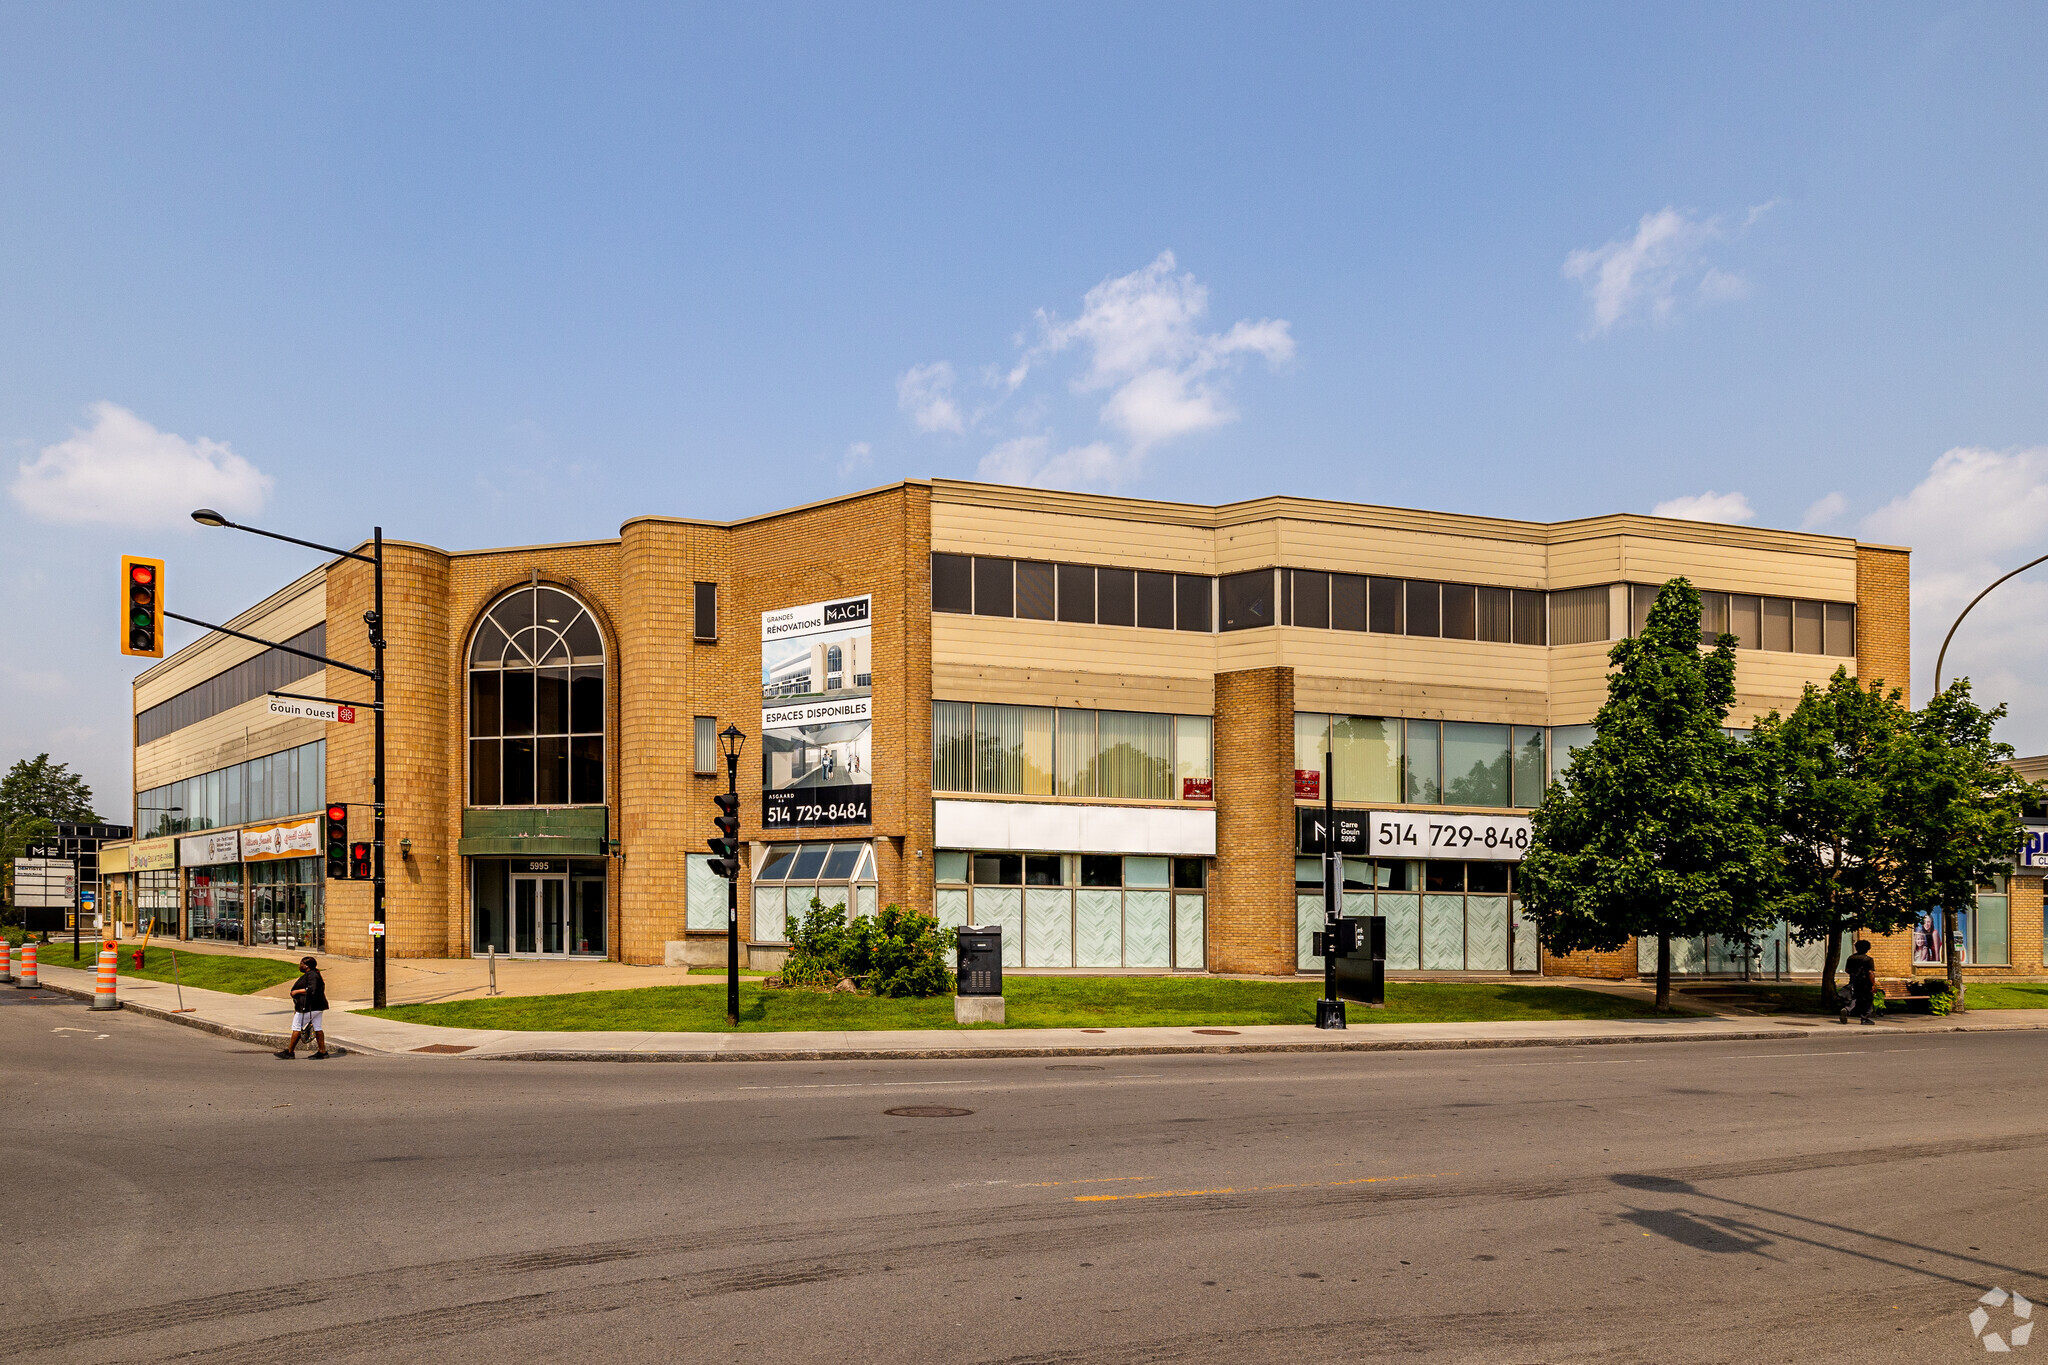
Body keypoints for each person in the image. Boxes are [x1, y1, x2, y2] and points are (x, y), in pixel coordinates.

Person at [277, 955, 330, 1059]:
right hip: (317, 1007)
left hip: (309, 1008)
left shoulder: (312, 975)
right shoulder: (314, 974)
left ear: (307, 966)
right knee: (317, 1027)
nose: (299, 966)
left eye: (301, 964)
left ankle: (290, 1052)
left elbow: (311, 990)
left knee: (296, 1027)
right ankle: (322, 1051)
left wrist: (296, 991)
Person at [1840, 938, 1877, 1025]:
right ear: (1867, 948)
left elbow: (1847, 969)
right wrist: (1873, 984)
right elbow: (1870, 972)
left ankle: (1846, 1009)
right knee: (1868, 1000)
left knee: (1855, 998)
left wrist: (1854, 974)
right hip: (1865, 983)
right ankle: (1865, 1018)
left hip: (1854, 981)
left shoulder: (1851, 958)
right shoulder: (1868, 959)